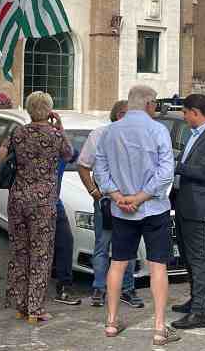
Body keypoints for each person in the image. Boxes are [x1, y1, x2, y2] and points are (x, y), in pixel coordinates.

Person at [93, 85, 178, 346]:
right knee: (158, 266)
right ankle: (159, 327)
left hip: (122, 209)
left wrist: (118, 196)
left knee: (117, 263)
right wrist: (141, 196)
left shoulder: (110, 131)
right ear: (150, 103)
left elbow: (100, 167)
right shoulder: (158, 130)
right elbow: (166, 172)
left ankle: (111, 321)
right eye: (155, 104)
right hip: (153, 208)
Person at [0, 91, 72, 323]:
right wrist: (59, 126)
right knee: (41, 253)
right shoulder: (55, 136)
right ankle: (35, 308)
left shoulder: (17, 133)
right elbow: (69, 155)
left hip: (18, 199)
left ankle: (21, 305)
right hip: (43, 202)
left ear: (29, 109)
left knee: (20, 251)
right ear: (49, 110)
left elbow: (0, 161)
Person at [76, 100, 144, 309]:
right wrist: (94, 192)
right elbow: (83, 165)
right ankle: (99, 288)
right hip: (105, 201)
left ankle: (127, 289)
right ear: (116, 115)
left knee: (128, 246)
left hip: (129, 200)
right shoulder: (99, 135)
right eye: (125, 114)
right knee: (102, 245)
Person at [171, 93, 205, 330]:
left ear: (195, 112)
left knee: (197, 258)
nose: (183, 117)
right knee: (187, 257)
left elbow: (204, 172)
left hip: (197, 205)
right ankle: (194, 300)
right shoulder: (193, 135)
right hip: (183, 203)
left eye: (185, 112)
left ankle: (199, 313)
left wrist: (175, 165)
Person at [53, 155, 81, 306]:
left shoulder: (62, 151)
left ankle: (64, 287)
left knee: (65, 242)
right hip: (34, 206)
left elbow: (78, 156)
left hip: (55, 205)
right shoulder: (29, 146)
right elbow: (0, 161)